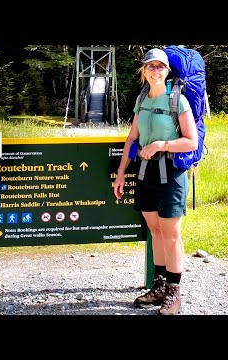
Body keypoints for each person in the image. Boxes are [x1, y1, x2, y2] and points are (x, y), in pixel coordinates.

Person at [113, 48, 198, 315]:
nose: (155, 71)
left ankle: (174, 292)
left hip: (171, 172)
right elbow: (131, 139)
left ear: (167, 71)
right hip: (145, 173)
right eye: (151, 66)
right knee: (155, 229)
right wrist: (121, 171)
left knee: (171, 233)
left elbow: (191, 142)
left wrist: (162, 143)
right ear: (144, 70)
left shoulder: (178, 101)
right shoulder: (142, 100)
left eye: (160, 67)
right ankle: (160, 285)